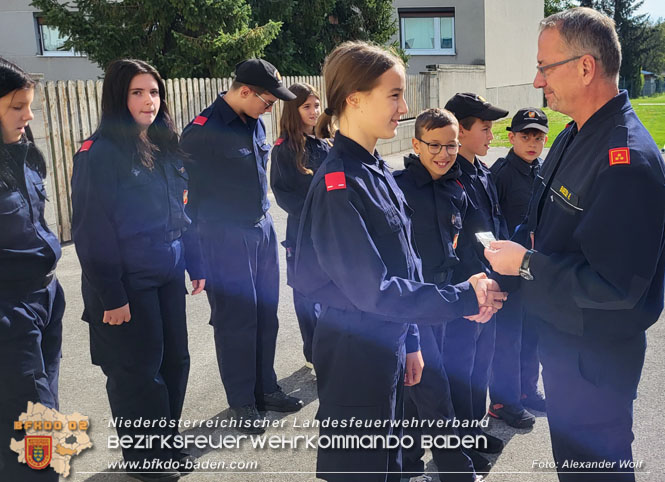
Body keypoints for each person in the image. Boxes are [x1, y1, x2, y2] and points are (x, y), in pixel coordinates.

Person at [294, 41, 506, 482]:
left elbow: (404, 265)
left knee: (389, 467)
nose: (404, 106)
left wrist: (410, 341)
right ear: (354, 98)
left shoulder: (374, 169)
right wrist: (464, 297)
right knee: (360, 471)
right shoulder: (340, 183)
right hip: (355, 352)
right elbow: (373, 288)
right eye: (394, 94)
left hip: (386, 340)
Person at [485, 7, 665, 482]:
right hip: (568, 351)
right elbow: (549, 226)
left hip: (595, 367)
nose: (537, 80)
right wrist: (508, 265)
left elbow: (617, 287)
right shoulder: (576, 131)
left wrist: (526, 266)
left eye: (545, 67)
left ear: (586, 68)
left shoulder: (625, 159)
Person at [71, 59, 205, 481]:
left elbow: (186, 211)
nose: (149, 101)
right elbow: (91, 230)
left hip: (168, 270)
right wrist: (111, 295)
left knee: (175, 363)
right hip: (126, 280)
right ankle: (147, 461)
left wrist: (196, 261)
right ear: (118, 97)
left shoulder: (165, 144)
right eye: (137, 92)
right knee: (137, 372)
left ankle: (165, 444)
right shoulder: (100, 153)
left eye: (153, 92)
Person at [180, 59, 303, 434]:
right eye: (267, 100)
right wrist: (196, 259)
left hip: (261, 229)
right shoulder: (201, 132)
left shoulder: (257, 123)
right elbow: (187, 202)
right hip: (223, 237)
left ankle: (265, 388)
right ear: (244, 91)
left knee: (266, 314)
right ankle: (243, 401)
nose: (270, 108)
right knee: (237, 321)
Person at [393, 108, 484, 482]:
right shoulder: (396, 185)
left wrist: (475, 290)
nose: (444, 154)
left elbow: (460, 248)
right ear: (416, 144)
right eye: (434, 145)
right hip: (414, 301)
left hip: (445, 299)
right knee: (435, 392)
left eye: (451, 145)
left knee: (420, 385)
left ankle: (410, 463)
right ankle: (457, 473)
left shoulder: (456, 188)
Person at [0, 57, 64, 482]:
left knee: (43, 411)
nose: (29, 115)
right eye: (17, 106)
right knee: (32, 416)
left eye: (30, 105)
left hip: (46, 297)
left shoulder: (24, 154)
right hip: (9, 306)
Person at [442, 93, 509, 458]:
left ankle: (473, 431)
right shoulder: (451, 176)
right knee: (461, 369)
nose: (491, 135)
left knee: (480, 366)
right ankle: (460, 442)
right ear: (461, 129)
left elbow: (491, 232)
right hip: (468, 291)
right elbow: (455, 244)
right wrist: (476, 289)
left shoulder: (482, 172)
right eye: (484, 128)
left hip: (489, 287)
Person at [488, 108, 549, 429]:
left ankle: (526, 391)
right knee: (508, 339)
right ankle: (503, 401)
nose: (531, 143)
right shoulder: (500, 174)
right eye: (525, 136)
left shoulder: (544, 170)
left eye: (538, 137)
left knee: (532, 335)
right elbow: (491, 223)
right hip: (506, 272)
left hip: (532, 270)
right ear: (510, 137)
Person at [270, 82, 330, 368]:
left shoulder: (325, 144)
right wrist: (313, 214)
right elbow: (283, 193)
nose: (314, 111)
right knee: (306, 294)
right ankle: (313, 354)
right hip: (303, 235)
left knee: (331, 291)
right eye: (307, 106)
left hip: (330, 233)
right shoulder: (284, 149)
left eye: (316, 105)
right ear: (293, 110)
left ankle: (330, 350)